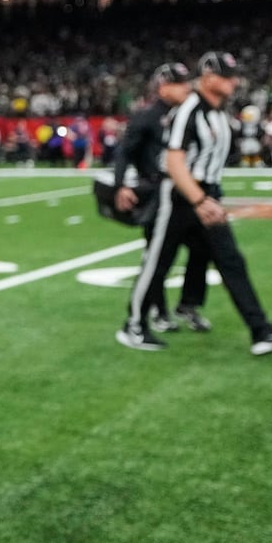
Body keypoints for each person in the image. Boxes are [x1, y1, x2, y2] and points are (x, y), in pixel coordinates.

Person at [121, 52, 272, 355]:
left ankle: (261, 330)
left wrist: (210, 198)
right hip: (179, 198)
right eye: (226, 75)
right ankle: (133, 325)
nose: (234, 81)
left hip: (206, 195)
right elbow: (173, 161)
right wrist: (200, 199)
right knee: (157, 263)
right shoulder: (188, 109)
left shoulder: (218, 112)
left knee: (231, 260)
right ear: (208, 77)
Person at [113, 62, 209, 346]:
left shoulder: (189, 113)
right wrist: (121, 184)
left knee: (203, 248)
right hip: (157, 194)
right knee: (157, 258)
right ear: (163, 86)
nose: (187, 88)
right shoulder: (147, 116)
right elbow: (124, 152)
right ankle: (158, 312)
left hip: (186, 194)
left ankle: (187, 304)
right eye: (180, 83)